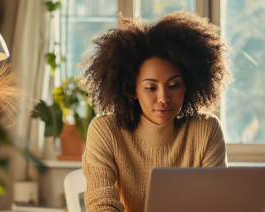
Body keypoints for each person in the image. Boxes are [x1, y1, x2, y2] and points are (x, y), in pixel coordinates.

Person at [78, 10, 233, 212]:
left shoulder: (206, 130)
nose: (164, 98)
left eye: (174, 85)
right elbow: (101, 205)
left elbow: (216, 204)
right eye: (151, 88)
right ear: (132, 89)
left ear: (188, 85)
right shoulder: (105, 131)